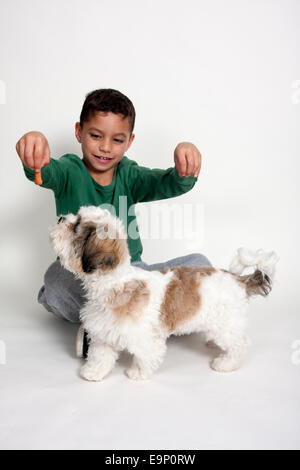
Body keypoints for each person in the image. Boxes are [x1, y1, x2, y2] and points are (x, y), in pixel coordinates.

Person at [16, 88, 211, 358]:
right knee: (55, 278)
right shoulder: (69, 171)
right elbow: (46, 172)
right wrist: (33, 152)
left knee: (200, 265)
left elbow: (164, 183)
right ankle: (103, 325)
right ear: (79, 132)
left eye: (117, 139)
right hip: (85, 278)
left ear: (129, 141)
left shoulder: (129, 174)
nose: (105, 147)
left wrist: (183, 170)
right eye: (95, 136)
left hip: (131, 274)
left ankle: (142, 321)